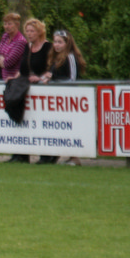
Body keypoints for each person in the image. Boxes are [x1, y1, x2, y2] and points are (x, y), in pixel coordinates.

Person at [41, 29, 87, 166]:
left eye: (60, 42)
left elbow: (72, 79)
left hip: (69, 100)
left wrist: (53, 78)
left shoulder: (71, 57)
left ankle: (74, 158)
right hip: (57, 100)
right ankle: (56, 155)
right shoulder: (55, 59)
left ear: (67, 43)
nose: (56, 45)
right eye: (55, 42)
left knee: (70, 128)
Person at [20, 18, 56, 164]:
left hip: (45, 90)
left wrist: (41, 78)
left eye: (32, 31)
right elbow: (22, 68)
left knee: (45, 123)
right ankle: (22, 155)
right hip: (29, 89)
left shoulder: (48, 47)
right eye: (27, 31)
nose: (29, 34)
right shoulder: (26, 48)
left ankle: (47, 155)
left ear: (39, 32)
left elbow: (53, 67)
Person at [0, 12, 28, 163]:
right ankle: (15, 153)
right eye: (5, 23)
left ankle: (22, 155)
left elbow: (9, 62)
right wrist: (1, 60)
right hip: (4, 79)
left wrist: (2, 60)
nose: (7, 27)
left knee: (16, 115)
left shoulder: (20, 41)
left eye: (10, 24)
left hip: (15, 82)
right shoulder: (4, 37)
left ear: (17, 25)